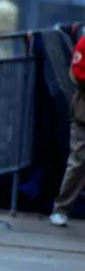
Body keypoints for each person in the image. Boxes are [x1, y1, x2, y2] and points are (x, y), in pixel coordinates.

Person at [49, 33, 85, 228]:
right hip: (83, 114)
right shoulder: (84, 43)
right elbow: (77, 74)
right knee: (78, 162)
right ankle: (61, 208)